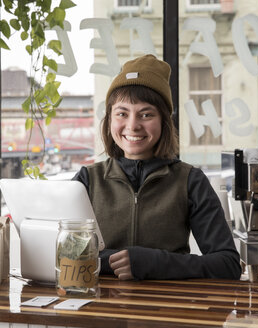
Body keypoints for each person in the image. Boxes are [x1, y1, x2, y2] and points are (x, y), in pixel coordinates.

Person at [73, 54, 242, 280]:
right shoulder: (87, 180)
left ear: (164, 120)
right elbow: (63, 254)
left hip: (169, 310)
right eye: (122, 113)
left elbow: (227, 265)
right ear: (110, 120)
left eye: (146, 114)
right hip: (100, 307)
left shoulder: (190, 180)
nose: (132, 126)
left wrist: (153, 262)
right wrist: (117, 260)